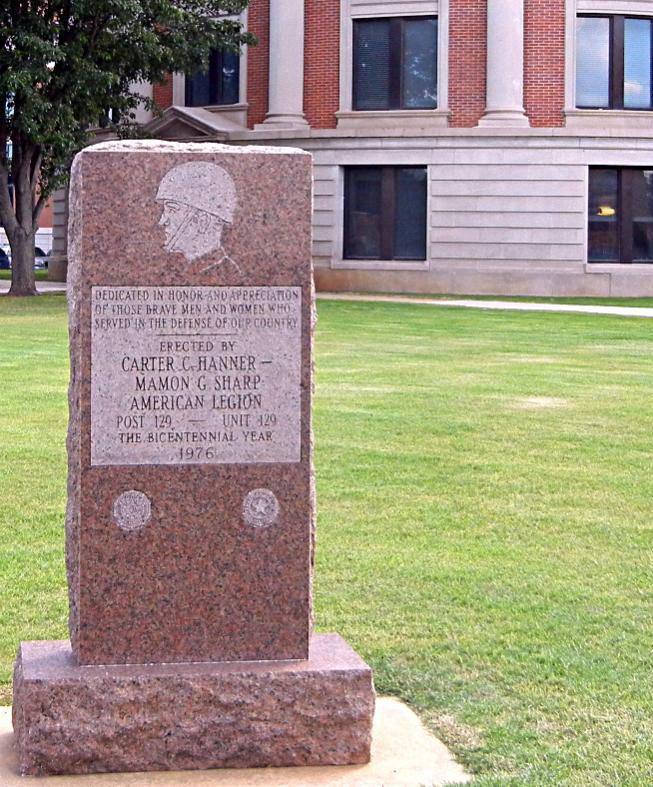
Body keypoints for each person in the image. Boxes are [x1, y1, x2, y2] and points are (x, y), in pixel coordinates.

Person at [156, 161, 240, 272]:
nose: (162, 221)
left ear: (203, 221)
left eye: (172, 210)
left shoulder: (226, 275)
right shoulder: (183, 273)